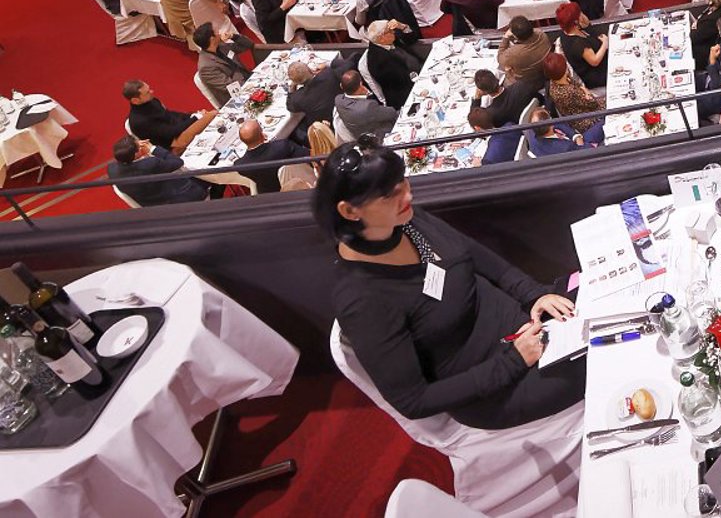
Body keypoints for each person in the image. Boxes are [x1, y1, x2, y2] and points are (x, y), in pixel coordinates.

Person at [317, 140, 586, 427]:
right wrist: (514, 361)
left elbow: (478, 257)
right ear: (350, 211)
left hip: (524, 320)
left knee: (608, 293)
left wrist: (534, 295)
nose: (407, 194)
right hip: (496, 383)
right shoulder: (363, 298)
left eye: (403, 182)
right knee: (606, 354)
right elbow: (413, 401)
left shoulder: (405, 222)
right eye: (390, 194)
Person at [108, 135, 208, 206]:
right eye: (139, 146)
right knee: (208, 174)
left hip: (155, 207)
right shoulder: (149, 165)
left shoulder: (111, 169)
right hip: (181, 199)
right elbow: (178, 162)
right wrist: (153, 149)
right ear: (136, 154)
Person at [122, 79, 212, 153]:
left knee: (207, 116)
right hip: (173, 144)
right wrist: (196, 118)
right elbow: (171, 133)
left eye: (149, 89)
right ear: (135, 100)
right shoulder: (140, 121)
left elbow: (170, 114)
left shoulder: (151, 101)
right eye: (147, 92)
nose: (152, 92)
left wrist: (192, 116)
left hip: (178, 130)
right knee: (212, 115)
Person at [235, 119, 306, 194]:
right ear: (262, 135)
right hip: (295, 186)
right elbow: (306, 155)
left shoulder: (240, 166)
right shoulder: (282, 146)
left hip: (270, 194)